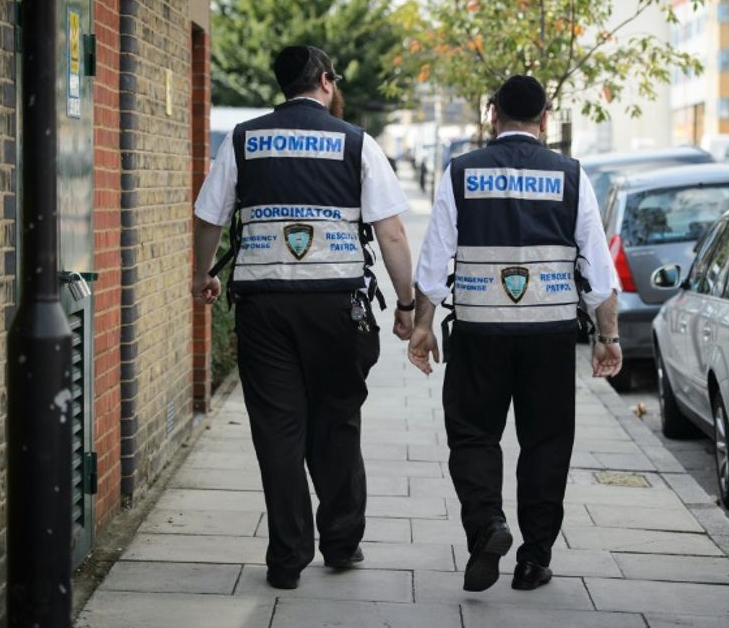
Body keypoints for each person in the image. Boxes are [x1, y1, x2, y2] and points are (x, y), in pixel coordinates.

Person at [191, 45, 415, 590]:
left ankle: (287, 558)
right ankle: (340, 543)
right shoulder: (356, 143)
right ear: (322, 80)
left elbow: (207, 216)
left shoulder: (244, 139)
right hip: (338, 307)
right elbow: (390, 232)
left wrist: (203, 276)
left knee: (278, 431)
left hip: (264, 308)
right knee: (337, 422)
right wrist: (407, 305)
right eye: (334, 78)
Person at [407, 75, 622, 593]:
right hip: (548, 335)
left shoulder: (461, 172)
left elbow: (435, 256)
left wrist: (421, 325)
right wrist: (607, 336)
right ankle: (534, 559)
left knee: (473, 433)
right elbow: (596, 266)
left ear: (492, 114)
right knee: (546, 441)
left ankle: (487, 525)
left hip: (480, 330)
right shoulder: (570, 175)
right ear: (544, 119)